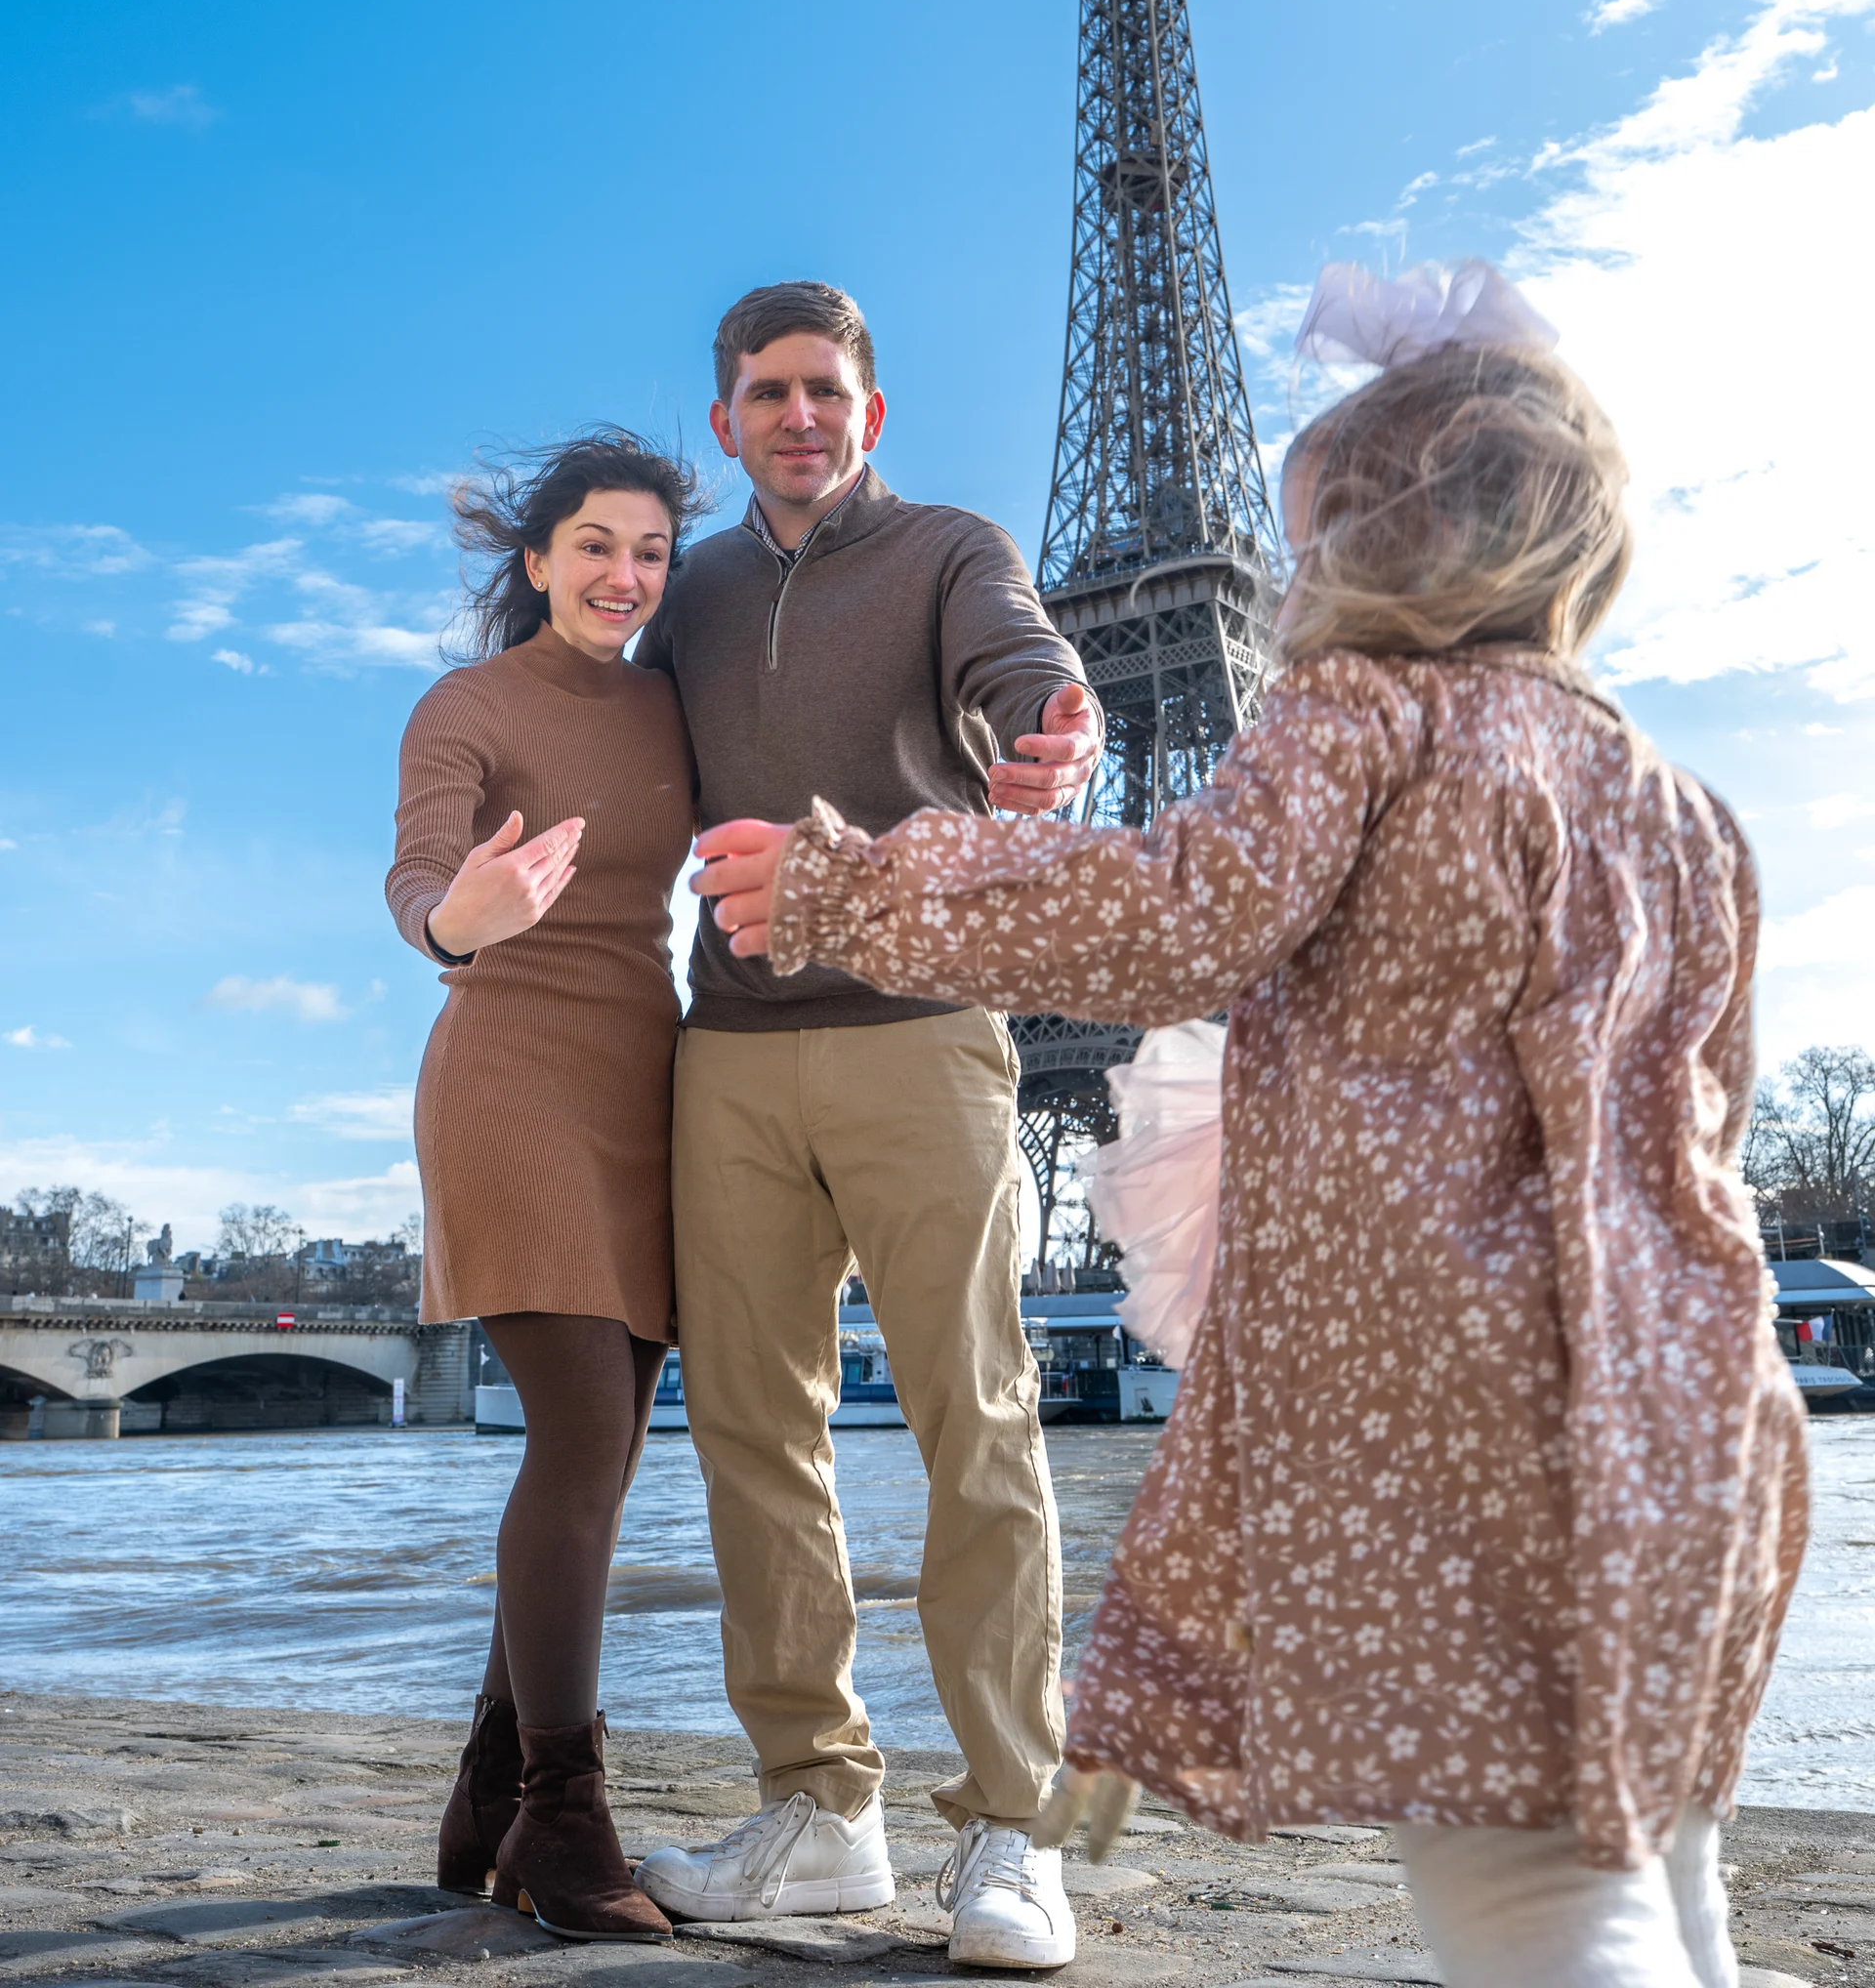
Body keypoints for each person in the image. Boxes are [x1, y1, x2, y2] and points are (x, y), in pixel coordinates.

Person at [691, 269, 1811, 1988]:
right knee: (1668, 1877)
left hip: (1468, 1402)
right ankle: (856, 1802)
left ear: (1379, 545)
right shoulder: (1680, 804)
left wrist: (860, 877)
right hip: (1689, 1415)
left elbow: (1172, 913)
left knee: (1532, 1905)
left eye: (1311, 541)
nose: (1294, 582)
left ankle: (1007, 1819)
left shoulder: (1361, 712)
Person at [629, 282, 1101, 1969]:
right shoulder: (687, 599)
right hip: (731, 1051)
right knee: (754, 1438)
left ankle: (1014, 1832)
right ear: (727, 423)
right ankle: (821, 1813)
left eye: (825, 389)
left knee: (977, 1424)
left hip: (919, 1039)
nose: (799, 415)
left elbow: (1027, 661)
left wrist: (1059, 725)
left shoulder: (951, 550)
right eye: (767, 393)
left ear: (872, 413)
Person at [386, 431, 704, 1943]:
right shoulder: (467, 704)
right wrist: (462, 917)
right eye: (594, 545)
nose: (623, 575)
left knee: (613, 1449)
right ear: (536, 562)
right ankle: (566, 1824)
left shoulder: (670, 702)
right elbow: (415, 882)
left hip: (652, 1086)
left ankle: (489, 1789)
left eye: (648, 550)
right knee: (580, 1435)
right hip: (512, 1086)